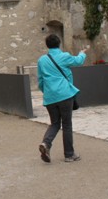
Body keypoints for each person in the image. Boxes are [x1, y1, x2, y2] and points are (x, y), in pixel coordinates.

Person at [37, 34, 89, 163]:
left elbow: (40, 81)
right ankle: (69, 154)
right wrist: (82, 53)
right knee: (66, 124)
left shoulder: (41, 60)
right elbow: (78, 61)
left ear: (47, 45)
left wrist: (48, 92)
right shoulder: (64, 56)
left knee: (55, 123)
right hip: (65, 95)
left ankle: (46, 143)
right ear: (59, 44)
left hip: (50, 97)